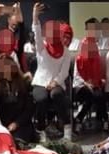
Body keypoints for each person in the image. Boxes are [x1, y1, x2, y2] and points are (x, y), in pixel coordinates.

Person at [29, 3, 73, 139]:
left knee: (56, 95)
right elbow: (36, 31)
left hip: (57, 83)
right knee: (41, 98)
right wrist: (35, 15)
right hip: (40, 82)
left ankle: (66, 127)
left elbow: (64, 71)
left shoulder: (66, 51)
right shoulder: (41, 46)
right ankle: (41, 129)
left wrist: (55, 82)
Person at [0, 53, 34, 144]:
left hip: (20, 124)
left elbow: (28, 109)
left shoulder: (23, 84)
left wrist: (16, 123)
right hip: (1, 125)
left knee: (18, 142)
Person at [73, 33, 108, 134]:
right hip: (81, 86)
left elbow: (100, 73)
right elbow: (76, 76)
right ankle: (103, 118)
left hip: (94, 84)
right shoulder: (79, 59)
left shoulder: (97, 58)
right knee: (94, 96)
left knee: (97, 96)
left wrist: (100, 80)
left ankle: (79, 119)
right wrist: (86, 84)